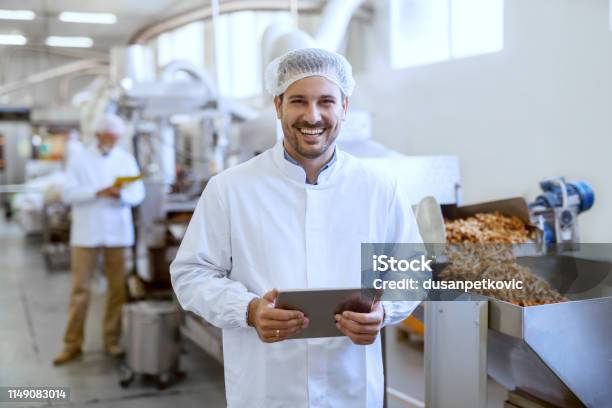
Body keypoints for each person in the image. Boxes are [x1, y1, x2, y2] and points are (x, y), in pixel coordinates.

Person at [170, 48, 422, 407]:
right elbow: (191, 274)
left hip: (349, 385)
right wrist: (249, 309)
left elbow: (411, 270)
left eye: (326, 101)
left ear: (345, 108)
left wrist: (385, 311)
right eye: (299, 101)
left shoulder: (378, 187)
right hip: (267, 387)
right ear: (278, 106)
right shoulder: (230, 189)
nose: (313, 115)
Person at [53, 113, 145, 365]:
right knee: (80, 290)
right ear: (99, 135)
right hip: (86, 234)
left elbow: (138, 193)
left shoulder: (125, 159)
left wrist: (121, 196)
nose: (114, 142)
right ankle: (72, 344)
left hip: (118, 232)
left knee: (118, 290)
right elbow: (68, 194)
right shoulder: (79, 159)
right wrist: (97, 191)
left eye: (117, 138)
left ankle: (111, 339)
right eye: (110, 137)